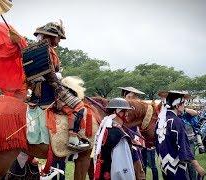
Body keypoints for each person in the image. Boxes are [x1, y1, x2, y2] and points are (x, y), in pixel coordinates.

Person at [33, 21, 89, 151]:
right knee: (79, 106)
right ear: (51, 37)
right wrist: (60, 87)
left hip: (38, 89)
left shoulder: (37, 49)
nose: (59, 41)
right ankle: (73, 139)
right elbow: (50, 75)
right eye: (58, 38)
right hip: (49, 89)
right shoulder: (46, 50)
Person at [155, 90, 205, 179]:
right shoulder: (177, 121)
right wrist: (197, 166)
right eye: (183, 103)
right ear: (177, 105)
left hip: (164, 164)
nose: (184, 106)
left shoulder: (160, 120)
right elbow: (183, 146)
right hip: (176, 165)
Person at [93, 98, 136, 180]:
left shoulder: (104, 128)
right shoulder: (118, 135)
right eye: (125, 111)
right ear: (118, 112)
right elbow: (122, 167)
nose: (127, 114)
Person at [119, 86, 147, 180]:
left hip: (134, 137)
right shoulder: (121, 109)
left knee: (137, 159)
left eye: (135, 96)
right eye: (131, 96)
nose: (134, 98)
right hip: (125, 138)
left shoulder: (135, 109)